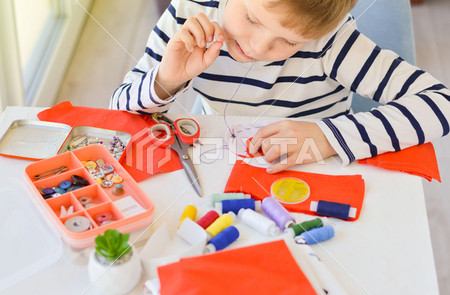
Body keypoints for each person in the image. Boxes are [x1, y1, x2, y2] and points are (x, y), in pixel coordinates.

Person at [110, 0, 450, 173]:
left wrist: (327, 137)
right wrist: (166, 80)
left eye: (288, 41)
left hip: (316, 162)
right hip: (225, 159)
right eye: (252, 19)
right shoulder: (188, 15)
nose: (258, 47)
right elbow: (116, 116)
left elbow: (440, 103)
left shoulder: (330, 41)